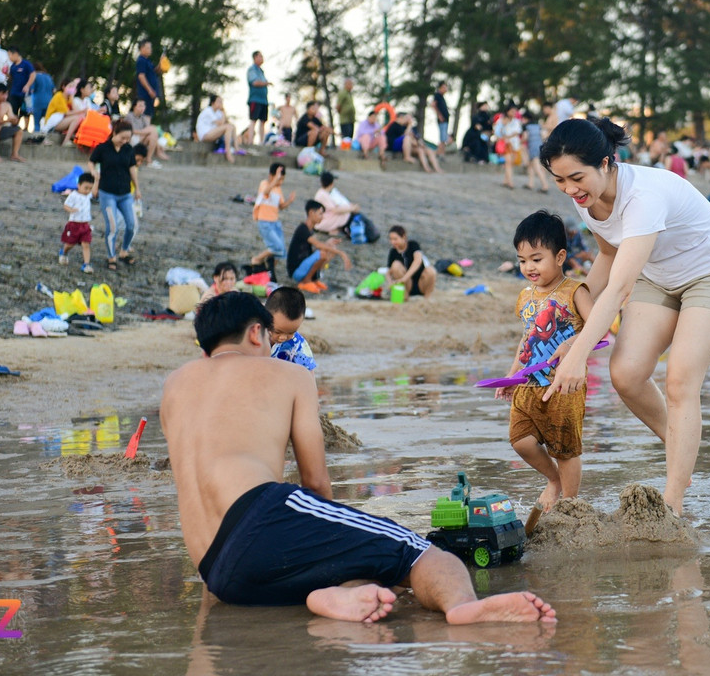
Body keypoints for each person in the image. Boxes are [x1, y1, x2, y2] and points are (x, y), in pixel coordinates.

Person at [161, 291, 556, 623]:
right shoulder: (288, 374)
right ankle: (464, 608)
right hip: (259, 513)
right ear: (254, 332)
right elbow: (315, 484)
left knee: (339, 554)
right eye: (269, 337)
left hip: (218, 572)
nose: (272, 346)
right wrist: (335, 535)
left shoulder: (175, 387)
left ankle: (329, 596)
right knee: (421, 552)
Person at [540, 118, 710, 515]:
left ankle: (673, 504)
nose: (569, 189)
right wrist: (575, 329)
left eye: (576, 177)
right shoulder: (585, 200)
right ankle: (680, 447)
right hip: (658, 274)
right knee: (626, 374)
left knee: (681, 379)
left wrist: (580, 354)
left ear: (606, 162)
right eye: (559, 180)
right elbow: (609, 255)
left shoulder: (643, 196)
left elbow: (618, 289)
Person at [494, 211, 594, 520]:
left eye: (536, 259)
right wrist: (511, 376)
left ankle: (570, 506)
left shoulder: (575, 291)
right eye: (522, 260)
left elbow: (601, 330)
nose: (528, 267)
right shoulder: (525, 297)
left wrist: (572, 344)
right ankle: (553, 480)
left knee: (566, 449)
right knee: (520, 440)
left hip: (563, 386)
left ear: (560, 256)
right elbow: (526, 339)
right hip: (528, 385)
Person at [90, 119, 140, 271]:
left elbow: (133, 169)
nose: (125, 141)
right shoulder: (103, 148)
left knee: (131, 225)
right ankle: (111, 256)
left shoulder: (128, 149)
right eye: (122, 137)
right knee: (112, 227)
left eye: (128, 138)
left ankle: (124, 251)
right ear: (115, 133)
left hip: (125, 193)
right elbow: (91, 162)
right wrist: (94, 174)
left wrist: (137, 188)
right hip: (107, 193)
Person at [287, 200, 351, 290]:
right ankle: (306, 281)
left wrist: (328, 243)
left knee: (328, 249)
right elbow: (318, 245)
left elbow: (317, 246)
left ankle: (314, 279)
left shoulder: (310, 230)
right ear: (311, 213)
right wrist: (341, 253)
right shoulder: (303, 229)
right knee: (322, 253)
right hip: (296, 272)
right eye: (320, 214)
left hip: (303, 266)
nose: (322, 217)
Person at [251, 163, 295, 278]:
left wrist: (289, 201)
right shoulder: (264, 184)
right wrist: (276, 179)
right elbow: (266, 192)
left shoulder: (278, 189)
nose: (281, 182)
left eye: (282, 179)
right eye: (280, 178)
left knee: (281, 252)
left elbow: (281, 206)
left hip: (275, 222)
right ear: (271, 176)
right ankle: (256, 259)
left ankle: (270, 270)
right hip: (264, 221)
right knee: (277, 247)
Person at [266, 286, 316, 371]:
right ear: (265, 316)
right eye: (277, 331)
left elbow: (309, 375)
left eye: (291, 333)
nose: (283, 337)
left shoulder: (298, 345)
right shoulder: (251, 336)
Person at [59, 172, 96, 274]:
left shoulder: (88, 195)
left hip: (85, 225)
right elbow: (65, 205)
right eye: (85, 188)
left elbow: (95, 192)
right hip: (74, 224)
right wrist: (71, 210)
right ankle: (64, 252)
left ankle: (86, 264)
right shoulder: (73, 195)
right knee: (71, 243)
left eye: (90, 188)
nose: (88, 191)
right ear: (78, 185)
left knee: (86, 244)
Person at [386, 225, 437, 298]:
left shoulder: (413, 245)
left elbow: (418, 261)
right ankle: (404, 296)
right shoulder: (393, 252)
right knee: (396, 265)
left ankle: (428, 298)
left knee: (431, 270)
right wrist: (390, 282)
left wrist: (404, 278)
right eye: (391, 239)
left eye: (395, 239)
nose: (392, 242)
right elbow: (389, 271)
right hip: (406, 285)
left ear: (403, 237)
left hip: (420, 282)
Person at [42, 78, 88, 144]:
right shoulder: (59, 96)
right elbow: (67, 113)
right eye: (70, 86)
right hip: (53, 124)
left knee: (80, 117)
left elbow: (75, 110)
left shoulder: (68, 98)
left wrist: (72, 98)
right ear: (63, 87)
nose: (72, 88)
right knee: (77, 118)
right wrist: (82, 111)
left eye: (73, 87)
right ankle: (66, 141)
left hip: (60, 121)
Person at [197, 94, 241, 162]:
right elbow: (221, 124)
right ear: (213, 103)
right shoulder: (208, 111)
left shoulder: (218, 113)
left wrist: (223, 113)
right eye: (219, 101)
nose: (221, 104)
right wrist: (223, 112)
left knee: (232, 126)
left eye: (221, 102)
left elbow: (226, 123)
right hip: (205, 135)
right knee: (228, 127)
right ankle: (228, 151)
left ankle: (236, 148)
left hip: (212, 133)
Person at [314, 171, 355, 235]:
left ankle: (335, 228)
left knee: (345, 210)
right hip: (322, 221)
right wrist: (351, 209)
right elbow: (335, 210)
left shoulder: (323, 193)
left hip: (323, 217)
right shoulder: (323, 194)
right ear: (331, 184)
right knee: (346, 214)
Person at [5, 47, 35, 129]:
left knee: (26, 111)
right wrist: (6, 73)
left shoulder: (26, 64)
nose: (9, 58)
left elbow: (33, 75)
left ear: (15, 54)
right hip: (14, 92)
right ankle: (13, 127)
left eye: (10, 55)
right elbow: (11, 78)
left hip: (25, 93)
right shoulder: (13, 66)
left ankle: (25, 128)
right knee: (13, 110)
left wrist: (27, 85)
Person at [246, 51, 271, 145]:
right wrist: (266, 83)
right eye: (260, 56)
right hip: (255, 99)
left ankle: (262, 142)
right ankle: (250, 142)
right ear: (255, 57)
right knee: (253, 120)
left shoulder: (261, 71)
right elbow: (254, 82)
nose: (262, 58)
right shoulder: (252, 69)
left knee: (263, 121)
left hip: (264, 100)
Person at [495, 106, 523, 188]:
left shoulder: (516, 121)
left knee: (510, 163)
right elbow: (497, 132)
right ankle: (510, 183)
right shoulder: (501, 120)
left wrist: (507, 137)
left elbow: (517, 132)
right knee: (508, 162)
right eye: (512, 111)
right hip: (506, 145)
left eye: (515, 111)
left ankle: (505, 181)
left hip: (514, 145)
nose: (514, 113)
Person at [522, 109, 550, 192]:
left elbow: (525, 137)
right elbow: (544, 135)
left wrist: (520, 142)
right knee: (531, 166)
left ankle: (545, 186)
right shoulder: (538, 125)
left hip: (532, 148)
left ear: (526, 118)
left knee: (536, 167)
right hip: (540, 146)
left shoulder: (525, 126)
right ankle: (530, 184)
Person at [135, 40, 161, 116]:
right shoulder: (141, 61)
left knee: (150, 113)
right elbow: (141, 76)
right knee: (146, 115)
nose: (150, 50)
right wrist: (150, 90)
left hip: (150, 94)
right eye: (148, 48)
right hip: (145, 94)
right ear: (142, 48)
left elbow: (155, 71)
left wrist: (161, 63)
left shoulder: (148, 61)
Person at [29, 62, 54, 131]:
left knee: (36, 123)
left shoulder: (34, 76)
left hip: (37, 101)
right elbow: (53, 89)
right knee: (48, 122)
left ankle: (36, 138)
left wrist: (28, 107)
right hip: (49, 101)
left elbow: (31, 90)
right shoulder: (48, 76)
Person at [431, 81, 450, 154]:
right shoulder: (437, 95)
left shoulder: (442, 97)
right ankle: (440, 152)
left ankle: (442, 152)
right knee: (442, 137)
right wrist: (439, 115)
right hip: (442, 120)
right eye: (444, 87)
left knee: (444, 137)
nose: (446, 89)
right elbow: (433, 105)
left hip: (445, 119)